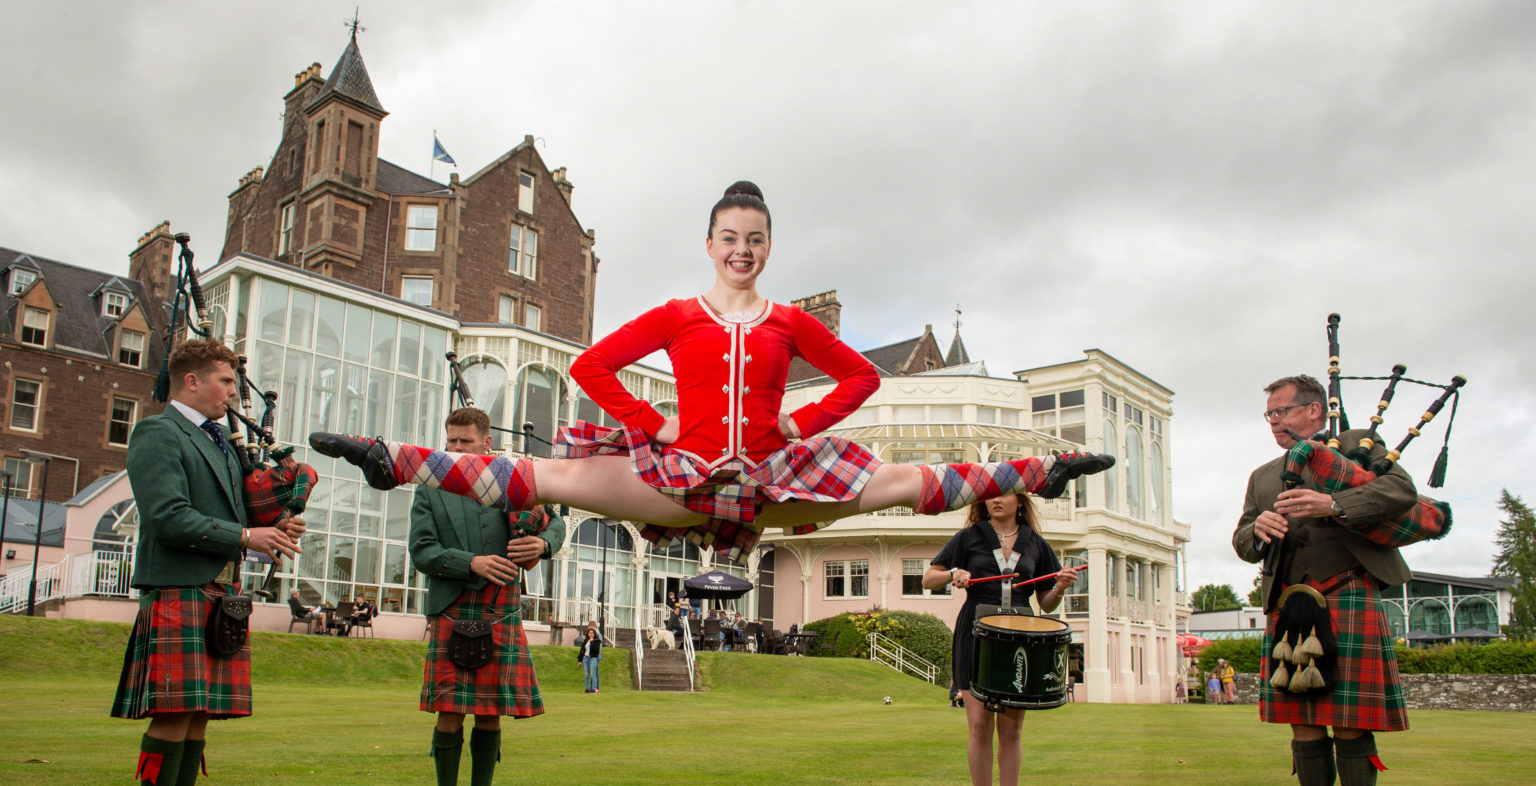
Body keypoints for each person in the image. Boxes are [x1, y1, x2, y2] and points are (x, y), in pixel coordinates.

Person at [310, 181, 1112, 561]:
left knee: (902, 481)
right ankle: (390, 462)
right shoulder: (676, 315)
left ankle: (1043, 472)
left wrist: (799, 421)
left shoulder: (790, 322)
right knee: (547, 475)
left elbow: (861, 381)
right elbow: (592, 366)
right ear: (710, 244)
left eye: (754, 239)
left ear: (768, 247)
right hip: (678, 475)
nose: (742, 249)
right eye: (730, 237)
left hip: (771, 477)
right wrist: (650, 424)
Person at [109, 338, 304, 786]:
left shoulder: (219, 443)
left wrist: (274, 525)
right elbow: (167, 516)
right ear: (191, 381)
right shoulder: (158, 433)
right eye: (225, 380)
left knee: (196, 717)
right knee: (173, 715)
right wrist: (245, 536)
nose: (233, 392)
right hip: (178, 589)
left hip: (218, 595)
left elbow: (236, 516)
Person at [1234, 374, 1417, 786]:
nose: (1274, 422)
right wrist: (1257, 531)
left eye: (1282, 411)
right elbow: (1243, 539)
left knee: (1351, 721)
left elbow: (1400, 492)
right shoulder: (1263, 476)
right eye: (1269, 415)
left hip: (1348, 593)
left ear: (1314, 411)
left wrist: (1333, 504)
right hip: (1290, 603)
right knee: (1304, 723)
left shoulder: (1358, 446)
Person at [409, 407, 566, 786]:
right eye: (451, 441)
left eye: (466, 441)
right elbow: (421, 550)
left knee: (490, 715)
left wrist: (543, 545)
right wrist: (471, 562)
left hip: (501, 611)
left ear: (486, 443)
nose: (457, 448)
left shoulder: (512, 481)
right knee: (449, 714)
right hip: (453, 608)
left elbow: (556, 522)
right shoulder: (429, 487)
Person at [924, 491, 1080, 786]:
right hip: (975, 634)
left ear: (1020, 501)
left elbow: (1046, 604)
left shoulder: (1036, 544)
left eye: (1004, 494)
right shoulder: (968, 537)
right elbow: (928, 578)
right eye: (990, 495)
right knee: (979, 726)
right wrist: (953, 574)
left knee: (1012, 730)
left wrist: (1059, 586)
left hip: (1021, 637)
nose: (996, 500)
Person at [579, 626, 603, 693]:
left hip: (593, 659)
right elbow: (582, 651)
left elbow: (596, 651)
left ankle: (594, 689)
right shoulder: (585, 641)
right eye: (590, 633)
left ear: (594, 634)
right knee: (586, 675)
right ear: (588, 634)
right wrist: (580, 660)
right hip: (585, 659)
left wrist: (592, 642)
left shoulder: (597, 641)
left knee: (593, 674)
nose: (591, 634)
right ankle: (587, 689)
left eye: (592, 633)